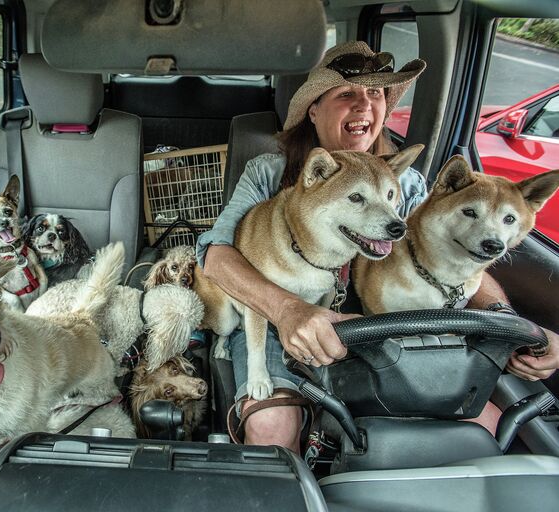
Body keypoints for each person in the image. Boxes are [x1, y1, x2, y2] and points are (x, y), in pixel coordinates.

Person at [196, 41, 559, 452]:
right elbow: (214, 254)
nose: (363, 105)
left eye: (376, 94)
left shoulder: (407, 184)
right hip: (276, 318)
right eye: (346, 94)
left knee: (485, 427)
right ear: (313, 110)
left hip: (383, 326)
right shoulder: (269, 172)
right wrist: (286, 309)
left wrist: (503, 319)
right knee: (272, 428)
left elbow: (459, 265)